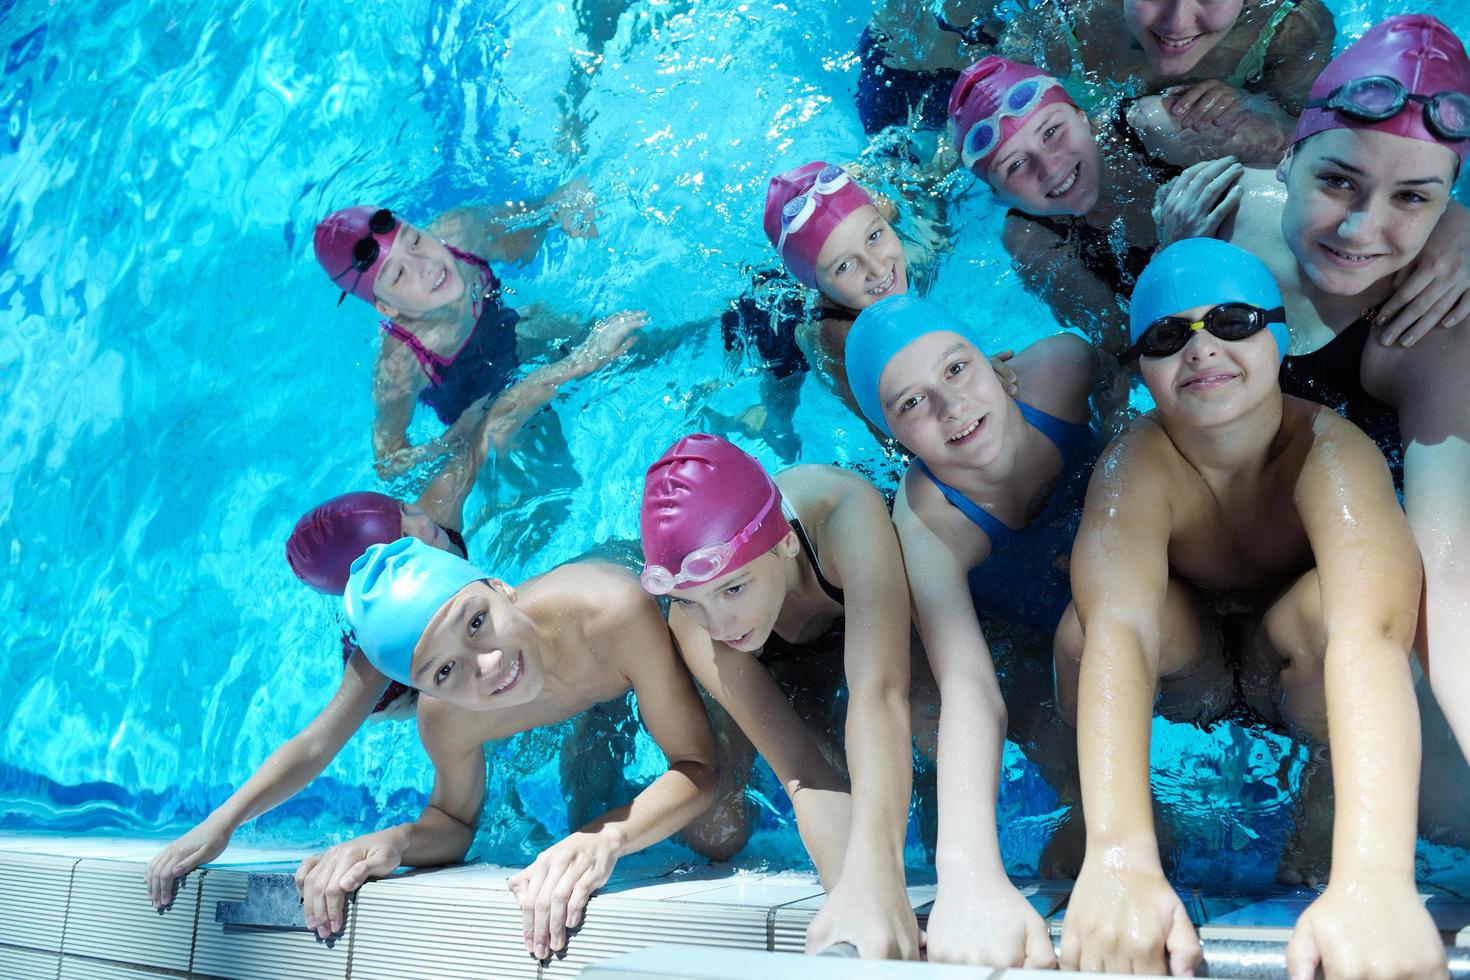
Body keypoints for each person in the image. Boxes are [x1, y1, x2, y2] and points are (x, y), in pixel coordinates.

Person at [143, 315, 641, 910]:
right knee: (483, 716)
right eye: (408, 540)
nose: (429, 531)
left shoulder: (432, 512)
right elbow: (316, 744)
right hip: (413, 678)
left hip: (473, 626)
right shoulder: (385, 647)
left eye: (410, 515)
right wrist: (220, 824)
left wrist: (580, 360)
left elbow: (490, 425)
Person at [1056, 238, 1442, 978]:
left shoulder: (1331, 450)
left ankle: (1325, 783)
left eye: (1232, 321)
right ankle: (1112, 814)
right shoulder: (1135, 465)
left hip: (1290, 671)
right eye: (1169, 337)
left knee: (1347, 609)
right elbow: (1122, 635)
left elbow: (1373, 633)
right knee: (1080, 633)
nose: (1202, 352)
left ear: (1279, 333)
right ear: (1141, 367)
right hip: (1193, 667)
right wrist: (1117, 854)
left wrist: (1375, 877)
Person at [1154, 14, 1470, 785]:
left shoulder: (1432, 329)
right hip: (1209, 576)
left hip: (1327, 605)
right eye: (1337, 181)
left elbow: (1448, 573)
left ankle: (1328, 787)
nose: (1363, 229)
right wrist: (1170, 267)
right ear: (1287, 154)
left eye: (1415, 199)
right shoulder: (1215, 216)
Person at [293, 537, 718, 961]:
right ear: (422, 691)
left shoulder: (613, 612)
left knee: (720, 834)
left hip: (650, 624)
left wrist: (610, 837)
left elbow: (699, 765)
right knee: (583, 816)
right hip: (588, 670)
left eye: (476, 622)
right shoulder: (444, 717)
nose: (489, 664)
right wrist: (395, 842)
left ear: (502, 588)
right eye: (443, 670)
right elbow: (454, 820)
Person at [845, 293, 1096, 966]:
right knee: (994, 710)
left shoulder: (1068, 372)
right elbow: (970, 686)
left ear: (1001, 366)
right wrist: (967, 876)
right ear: (894, 439)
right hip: (1011, 620)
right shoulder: (926, 523)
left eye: (958, 370)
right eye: (911, 404)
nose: (951, 408)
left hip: (1101, 576)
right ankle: (1081, 802)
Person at [950, 53, 1470, 362]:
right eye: (1014, 166)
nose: (1049, 167)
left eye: (1053, 131)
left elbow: (1333, 163)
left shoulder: (1157, 127)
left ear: (1083, 116)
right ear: (997, 193)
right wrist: (1178, 257)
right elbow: (1125, 354)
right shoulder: (1031, 240)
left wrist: (1450, 220)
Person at [639, 434, 917, 960]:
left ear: (784, 541)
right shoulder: (697, 624)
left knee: (927, 716)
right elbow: (802, 773)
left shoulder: (842, 515)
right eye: (691, 601)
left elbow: (880, 694)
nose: (719, 625)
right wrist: (857, 900)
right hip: (780, 661)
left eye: (734, 588)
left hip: (860, 620)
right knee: (717, 829)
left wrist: (878, 873)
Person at [312, 186, 645, 476]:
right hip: (485, 409)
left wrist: (566, 208)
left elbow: (543, 211)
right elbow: (387, 462)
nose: (426, 265)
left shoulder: (459, 232)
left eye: (414, 239)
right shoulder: (401, 364)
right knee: (527, 455)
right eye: (399, 275)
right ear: (386, 307)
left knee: (634, 340)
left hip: (518, 333)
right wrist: (449, 441)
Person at [999, 0, 1335, 162]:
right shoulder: (1060, 27)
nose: (1177, 23)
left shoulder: (1289, 28)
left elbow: (1307, 147)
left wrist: (1250, 105)